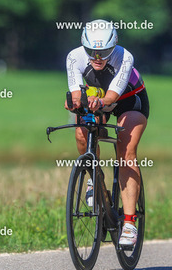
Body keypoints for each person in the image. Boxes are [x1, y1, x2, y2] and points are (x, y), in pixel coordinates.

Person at [64, 19, 149, 247]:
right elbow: (75, 92)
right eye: (91, 51)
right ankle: (95, 180)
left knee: (126, 153)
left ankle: (129, 222)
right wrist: (75, 102)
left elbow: (112, 96)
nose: (97, 58)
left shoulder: (124, 56)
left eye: (103, 52)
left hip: (129, 100)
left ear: (114, 46)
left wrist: (99, 101)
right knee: (82, 133)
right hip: (97, 99)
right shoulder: (74, 57)